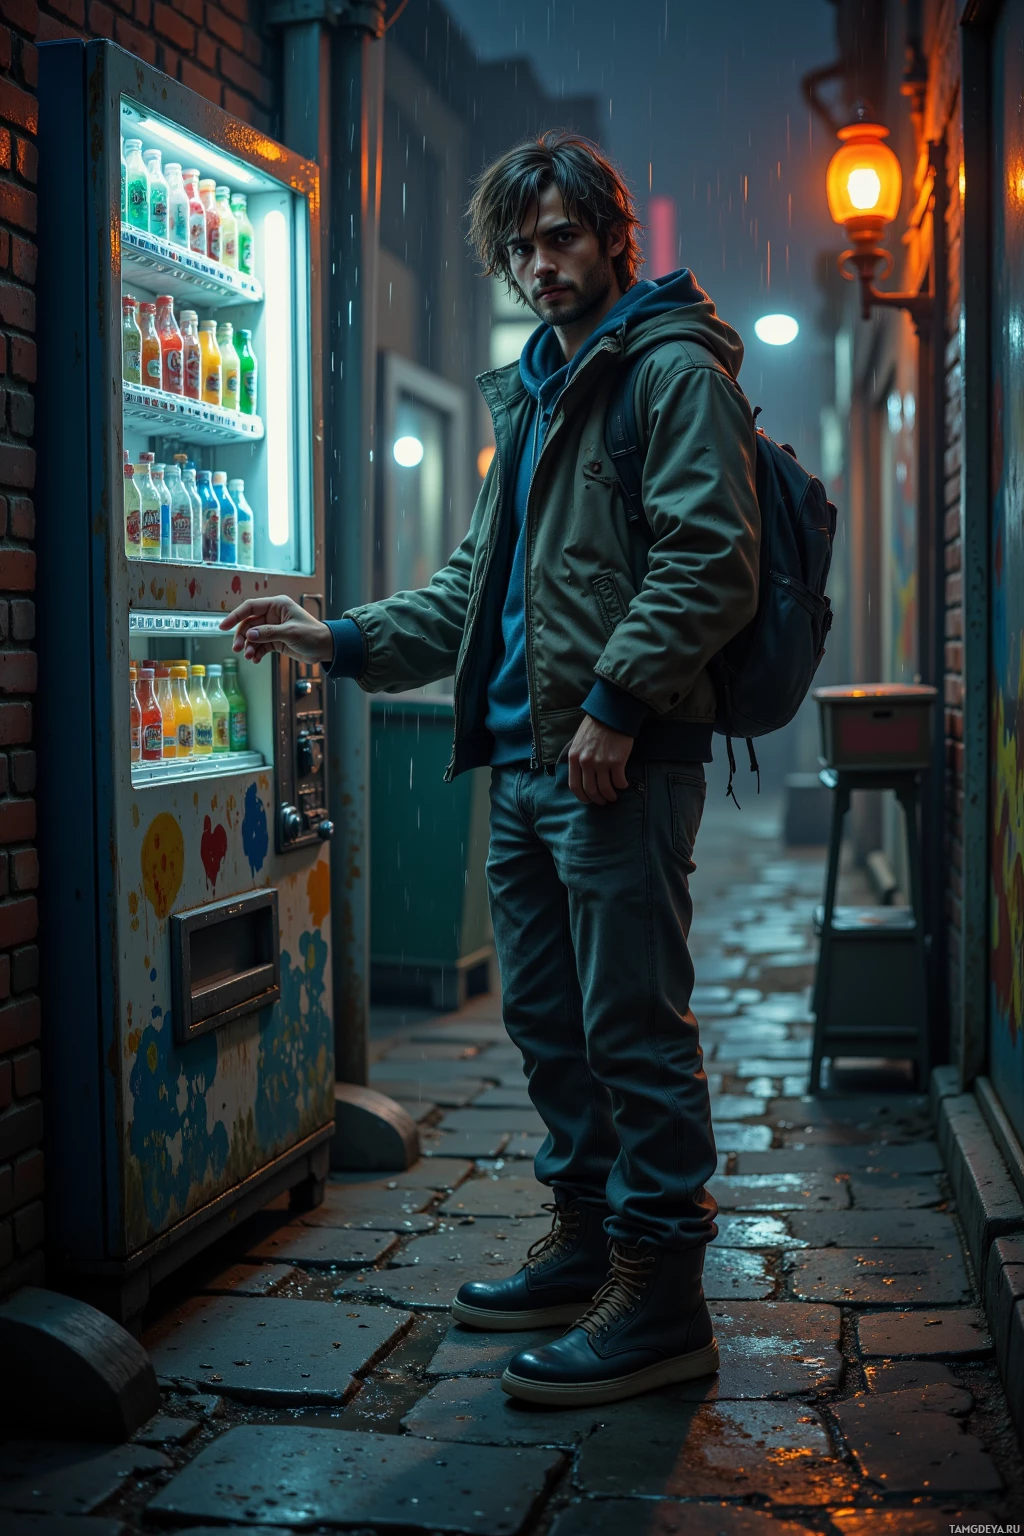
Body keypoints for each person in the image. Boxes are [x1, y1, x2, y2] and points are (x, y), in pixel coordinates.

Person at [220, 130, 760, 1409]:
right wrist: (340, 637)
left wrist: (619, 706)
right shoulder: (533, 391)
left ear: (612, 234)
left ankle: (663, 1297)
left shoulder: (666, 372)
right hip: (523, 766)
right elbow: (475, 592)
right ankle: (587, 1246)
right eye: (519, 245)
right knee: (550, 1028)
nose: (539, 262)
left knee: (633, 1027)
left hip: (611, 761)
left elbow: (712, 557)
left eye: (560, 235)